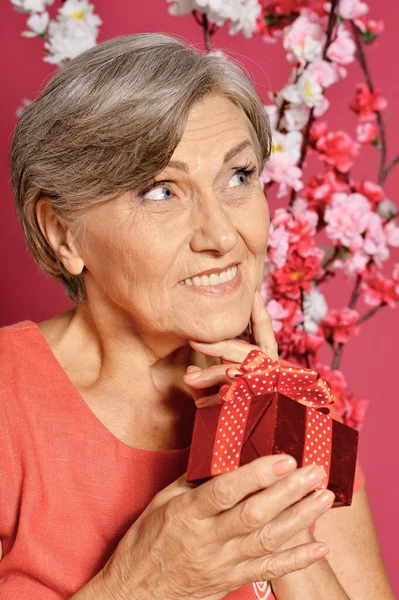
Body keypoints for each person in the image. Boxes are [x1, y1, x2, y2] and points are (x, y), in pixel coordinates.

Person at [1, 32, 394, 600]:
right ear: (62, 233)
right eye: (162, 191)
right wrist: (144, 584)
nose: (222, 235)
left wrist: (261, 448)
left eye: (238, 178)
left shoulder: (288, 400)